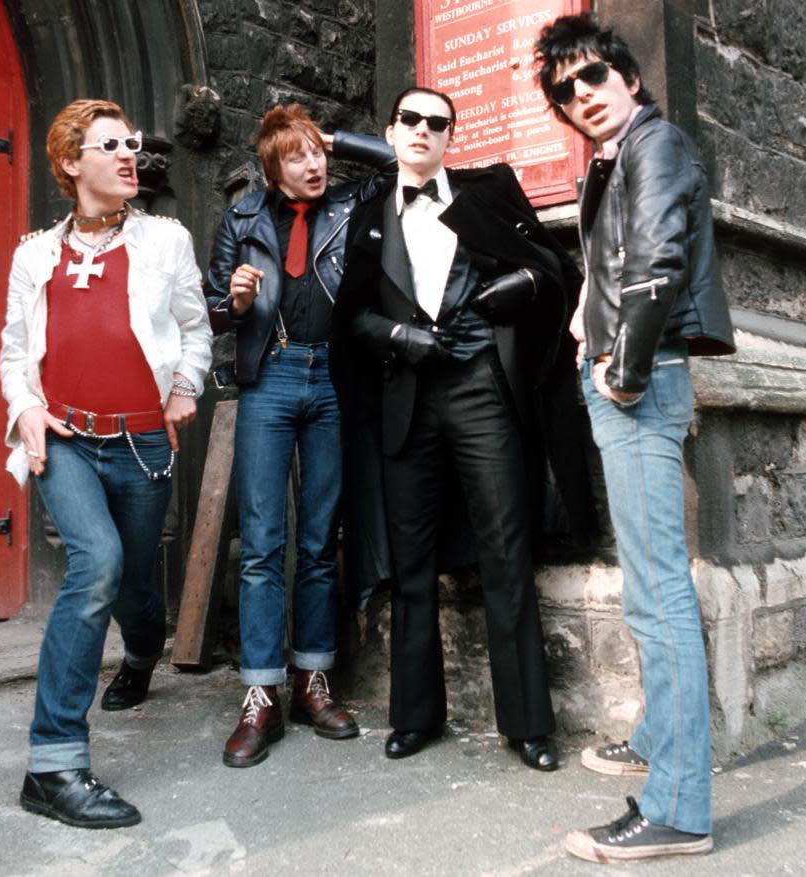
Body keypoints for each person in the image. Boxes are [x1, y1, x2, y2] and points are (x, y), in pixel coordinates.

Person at [533, 14, 736, 862]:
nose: (581, 96)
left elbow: (656, 260)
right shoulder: (623, 157)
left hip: (638, 378)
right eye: (564, 90)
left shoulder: (656, 145)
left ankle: (680, 808)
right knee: (651, 581)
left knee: (658, 595)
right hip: (627, 368)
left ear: (629, 78)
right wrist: (592, 316)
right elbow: (617, 263)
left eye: (593, 77)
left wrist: (623, 365)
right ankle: (661, 735)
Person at [334, 86, 584, 772]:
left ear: (450, 138)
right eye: (409, 118)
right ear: (391, 130)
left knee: (508, 553)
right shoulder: (369, 214)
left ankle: (528, 724)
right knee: (413, 566)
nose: (421, 129)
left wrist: (520, 287)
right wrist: (398, 336)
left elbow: (551, 267)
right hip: (407, 398)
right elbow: (351, 316)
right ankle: (415, 717)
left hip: (482, 389)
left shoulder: (489, 191)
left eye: (436, 123)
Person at [0, 98, 212, 828]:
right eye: (111, 145)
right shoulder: (35, 253)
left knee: (135, 581)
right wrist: (25, 408)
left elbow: (193, 326)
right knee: (97, 564)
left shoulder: (166, 240)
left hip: (143, 441)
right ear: (69, 161)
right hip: (62, 439)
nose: (131, 156)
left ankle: (144, 651)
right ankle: (54, 762)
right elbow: (13, 354)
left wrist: (185, 387)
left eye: (135, 144)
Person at [204, 104, 396, 767]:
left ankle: (313, 677)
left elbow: (398, 162)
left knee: (320, 538)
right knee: (262, 541)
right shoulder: (243, 218)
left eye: (317, 154)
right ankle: (262, 695)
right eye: (296, 156)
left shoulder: (349, 203)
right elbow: (210, 311)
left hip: (334, 379)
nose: (313, 165)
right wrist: (230, 300)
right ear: (270, 166)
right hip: (271, 378)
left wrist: (332, 137)